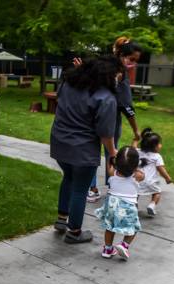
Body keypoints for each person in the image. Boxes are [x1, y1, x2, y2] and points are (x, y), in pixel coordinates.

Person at [50, 56, 121, 244]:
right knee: (80, 188)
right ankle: (74, 232)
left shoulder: (69, 84)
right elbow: (106, 133)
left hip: (59, 143)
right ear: (108, 75)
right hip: (83, 149)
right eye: (117, 74)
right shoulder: (106, 97)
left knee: (69, 178)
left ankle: (61, 219)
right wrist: (113, 154)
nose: (118, 78)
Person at [74, 37, 143, 203]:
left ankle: (93, 188)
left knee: (94, 153)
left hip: (91, 118)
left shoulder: (101, 67)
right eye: (132, 59)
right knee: (111, 153)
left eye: (136, 61)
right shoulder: (121, 74)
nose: (133, 64)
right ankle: (112, 186)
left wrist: (81, 70)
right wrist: (135, 130)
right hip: (110, 120)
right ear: (121, 54)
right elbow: (126, 106)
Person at [94, 146, 144, 261]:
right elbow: (142, 173)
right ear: (135, 165)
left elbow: (110, 160)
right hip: (127, 206)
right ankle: (124, 245)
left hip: (112, 205)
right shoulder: (137, 176)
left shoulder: (112, 172)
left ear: (117, 162)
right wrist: (136, 166)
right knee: (133, 227)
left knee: (109, 227)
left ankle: (107, 249)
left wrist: (112, 156)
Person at [133, 128, 172, 216]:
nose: (160, 145)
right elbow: (161, 169)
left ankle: (134, 206)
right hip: (151, 181)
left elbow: (133, 148)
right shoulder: (157, 156)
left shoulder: (138, 152)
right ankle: (152, 204)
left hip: (138, 179)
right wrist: (167, 178)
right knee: (157, 192)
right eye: (159, 144)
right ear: (155, 146)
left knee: (135, 194)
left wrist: (135, 140)